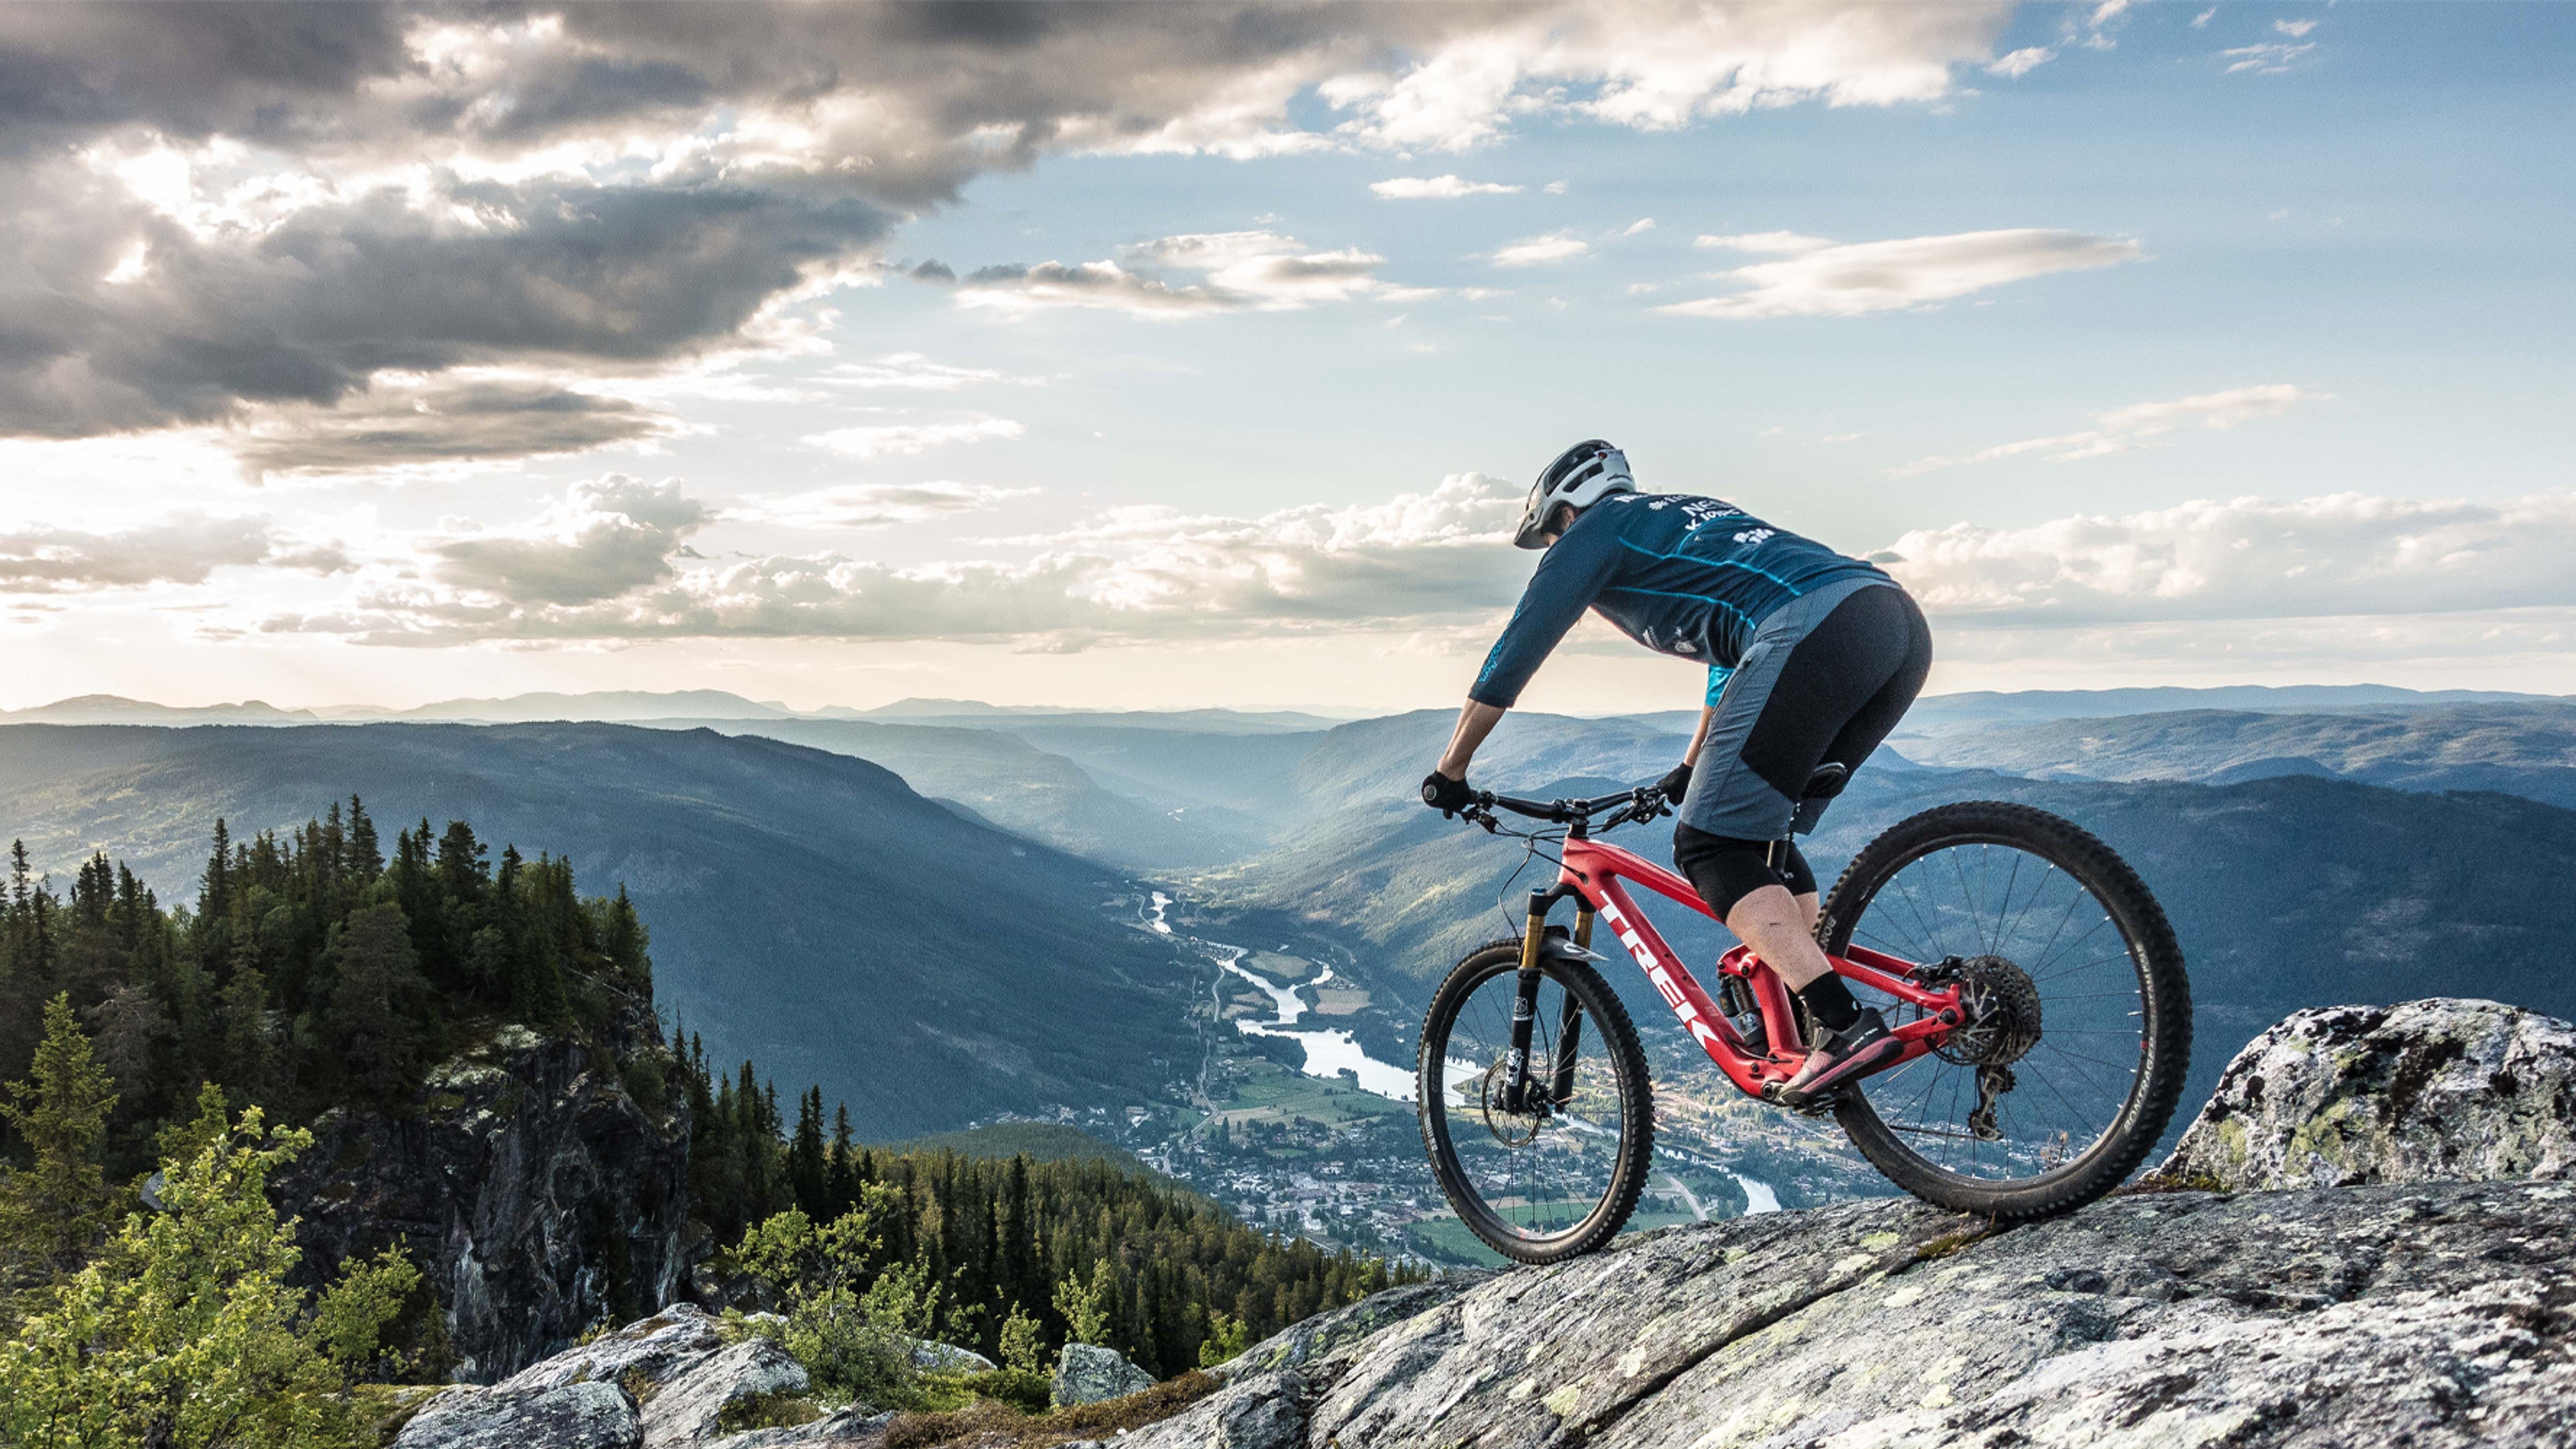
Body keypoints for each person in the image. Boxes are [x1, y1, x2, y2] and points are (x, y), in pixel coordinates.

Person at [1421, 439, 1932, 1106]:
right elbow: (1734, 654)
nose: (1553, 545)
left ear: (1567, 512)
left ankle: (1841, 1027)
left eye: (1550, 532)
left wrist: (1451, 769)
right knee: (1762, 844)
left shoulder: (1596, 532)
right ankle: (1815, 1029)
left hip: (1817, 630)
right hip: (1890, 624)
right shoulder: (1690, 516)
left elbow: (1515, 652)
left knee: (1710, 849)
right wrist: (1690, 767)